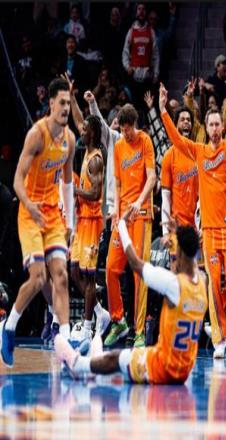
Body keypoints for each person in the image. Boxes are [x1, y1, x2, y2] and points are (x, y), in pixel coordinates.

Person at [55, 212, 207, 384]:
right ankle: (95, 361)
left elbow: (135, 263)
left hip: (162, 367)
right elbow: (190, 251)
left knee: (116, 358)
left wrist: (121, 225)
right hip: (183, 369)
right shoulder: (202, 282)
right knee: (124, 366)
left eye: (176, 252)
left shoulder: (174, 285)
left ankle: (78, 364)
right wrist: (179, 234)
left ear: (180, 254)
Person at [159, 82, 226, 359]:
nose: (215, 128)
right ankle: (219, 338)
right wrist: (163, 111)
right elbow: (176, 140)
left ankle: (218, 321)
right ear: (206, 128)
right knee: (213, 282)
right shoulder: (198, 151)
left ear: (222, 127)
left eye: (219, 124)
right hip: (208, 230)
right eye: (211, 124)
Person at [1, 78, 76, 367]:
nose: (66, 108)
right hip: (30, 213)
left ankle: (66, 344)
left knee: (61, 276)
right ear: (51, 104)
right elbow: (17, 180)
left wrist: (69, 221)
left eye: (68, 103)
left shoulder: (69, 140)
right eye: (62, 103)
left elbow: (67, 182)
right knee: (39, 278)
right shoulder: (36, 135)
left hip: (53, 215)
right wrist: (29, 205)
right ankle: (9, 326)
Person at [105, 104, 156, 348]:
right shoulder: (118, 147)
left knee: (139, 272)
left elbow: (152, 177)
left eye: (128, 129)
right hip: (123, 216)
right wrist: (116, 210)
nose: (125, 133)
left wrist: (139, 201)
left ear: (134, 124)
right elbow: (117, 183)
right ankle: (118, 321)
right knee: (111, 268)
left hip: (142, 214)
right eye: (122, 129)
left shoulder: (145, 141)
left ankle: (139, 331)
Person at [69, 115, 111, 343]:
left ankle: (87, 327)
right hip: (82, 220)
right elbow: (78, 119)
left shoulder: (95, 160)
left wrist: (75, 191)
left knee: (88, 274)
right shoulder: (86, 152)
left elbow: (95, 194)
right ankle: (99, 312)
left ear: (92, 133)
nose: (81, 132)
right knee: (74, 270)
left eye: (85, 130)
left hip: (92, 222)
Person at [160, 106, 199, 268]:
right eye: (182, 120)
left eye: (189, 120)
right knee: (176, 274)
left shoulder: (197, 152)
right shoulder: (169, 156)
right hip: (176, 228)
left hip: (195, 228)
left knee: (195, 274)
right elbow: (165, 197)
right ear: (174, 126)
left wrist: (201, 226)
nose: (186, 122)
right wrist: (165, 232)